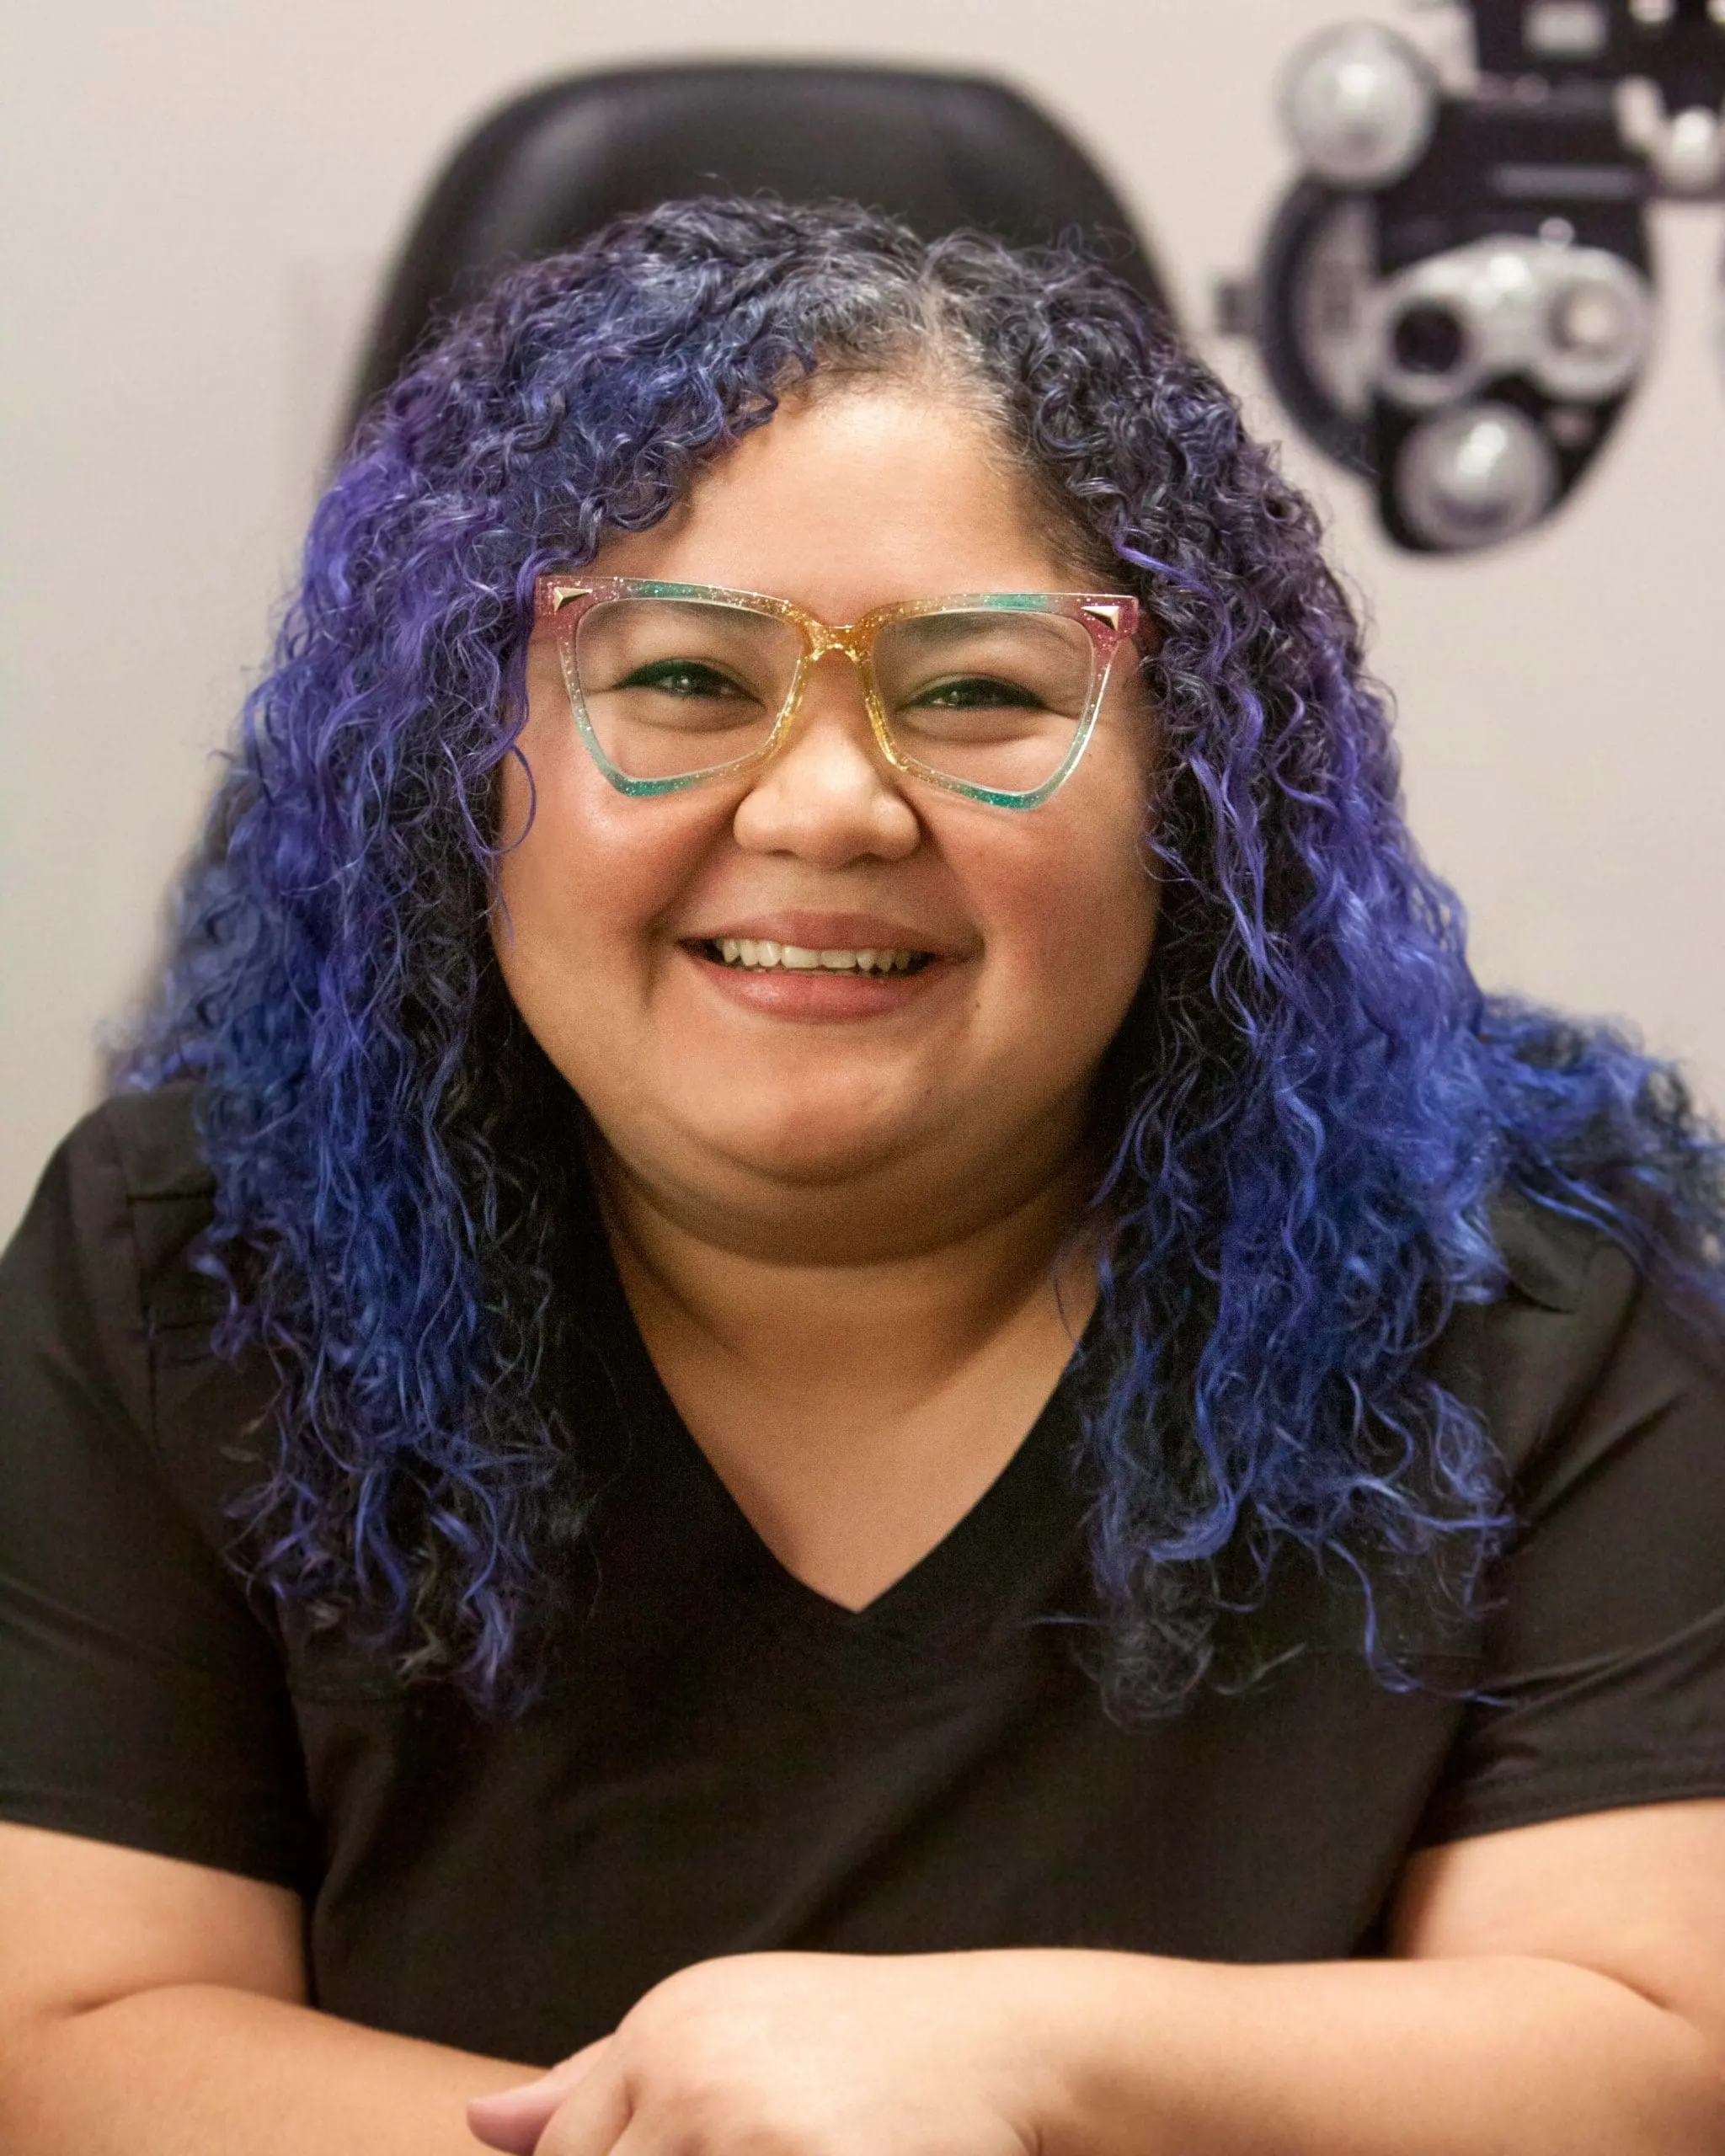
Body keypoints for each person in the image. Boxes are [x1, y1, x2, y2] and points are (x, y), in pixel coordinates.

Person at [2, 198, 1723, 2156]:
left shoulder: (1540, 1281)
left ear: (1199, 791)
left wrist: (1023, 2062)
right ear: (467, 770)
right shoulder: (196, 1257)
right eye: (682, 681)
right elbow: (75, 2032)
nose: (827, 802)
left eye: (979, 689)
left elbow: (1649, 2047)